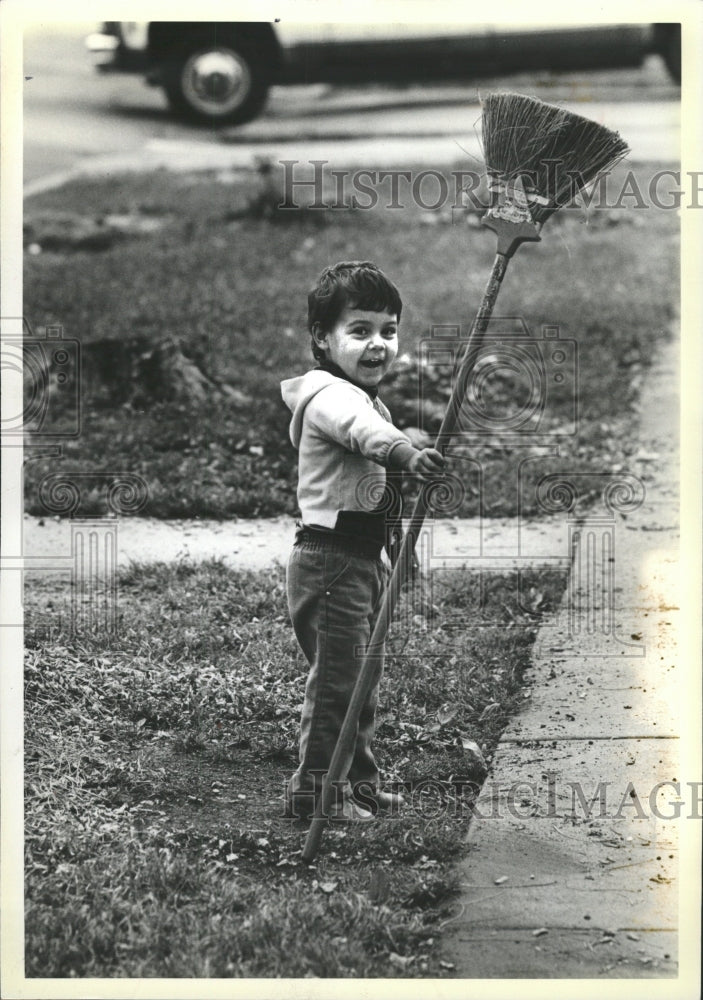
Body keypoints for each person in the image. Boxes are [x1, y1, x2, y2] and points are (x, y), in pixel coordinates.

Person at [280, 260, 445, 822]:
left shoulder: (368, 399)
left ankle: (360, 783)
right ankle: (316, 795)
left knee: (361, 680)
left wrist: (398, 547)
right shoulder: (328, 396)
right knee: (337, 686)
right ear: (323, 340)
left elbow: (380, 487)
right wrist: (404, 450)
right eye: (360, 331)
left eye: (389, 331)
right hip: (328, 565)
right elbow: (367, 437)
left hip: (359, 559)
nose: (379, 344)